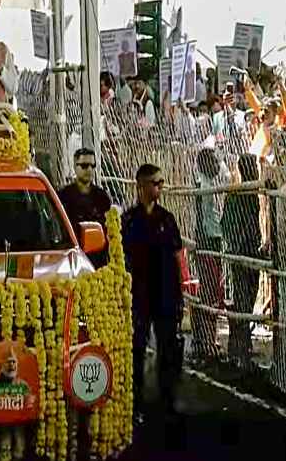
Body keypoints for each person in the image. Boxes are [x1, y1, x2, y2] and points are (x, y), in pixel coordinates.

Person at [122, 163, 183, 421]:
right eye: (155, 183)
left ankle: (167, 401)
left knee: (167, 348)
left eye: (161, 182)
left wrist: (181, 295)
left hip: (166, 294)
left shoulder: (167, 219)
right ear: (141, 186)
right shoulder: (128, 221)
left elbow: (178, 257)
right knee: (136, 349)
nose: (160, 187)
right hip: (139, 295)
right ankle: (135, 402)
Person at [221, 153, 263, 367]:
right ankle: (241, 347)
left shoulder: (239, 194)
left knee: (243, 299)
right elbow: (233, 224)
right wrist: (243, 244)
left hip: (242, 251)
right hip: (246, 252)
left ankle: (238, 346)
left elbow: (225, 224)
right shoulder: (244, 194)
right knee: (244, 300)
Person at [193, 147, 230, 358]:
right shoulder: (202, 184)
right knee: (209, 291)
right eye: (214, 161)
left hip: (212, 236)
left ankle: (207, 339)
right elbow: (203, 218)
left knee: (212, 290)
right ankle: (206, 340)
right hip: (207, 238)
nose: (218, 164)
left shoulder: (209, 183)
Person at [57, 148, 112, 268]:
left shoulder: (102, 197)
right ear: (75, 167)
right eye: (84, 166)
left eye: (93, 166)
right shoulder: (64, 196)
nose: (89, 170)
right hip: (70, 258)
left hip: (98, 260)